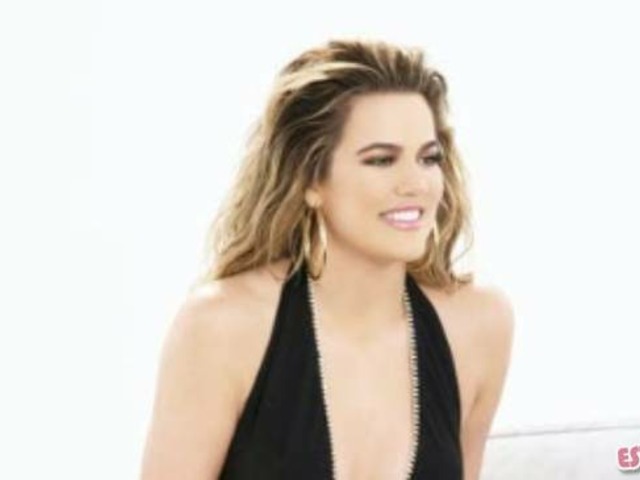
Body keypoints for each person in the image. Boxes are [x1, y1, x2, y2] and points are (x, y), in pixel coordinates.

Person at [140, 38, 515, 480]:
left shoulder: (477, 325)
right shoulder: (223, 327)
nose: (416, 184)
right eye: (381, 160)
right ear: (311, 180)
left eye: (428, 158)